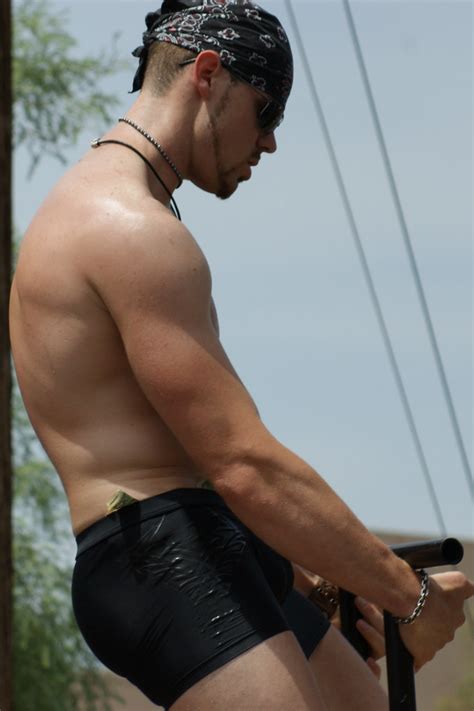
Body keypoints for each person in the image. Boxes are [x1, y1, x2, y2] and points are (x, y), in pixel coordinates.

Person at [9, 1, 472, 709]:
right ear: (206, 74)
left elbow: (203, 460)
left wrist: (322, 583)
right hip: (160, 552)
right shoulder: (127, 228)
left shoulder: (132, 214)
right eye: (266, 111)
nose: (271, 142)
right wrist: (406, 594)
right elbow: (244, 464)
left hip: (208, 538)